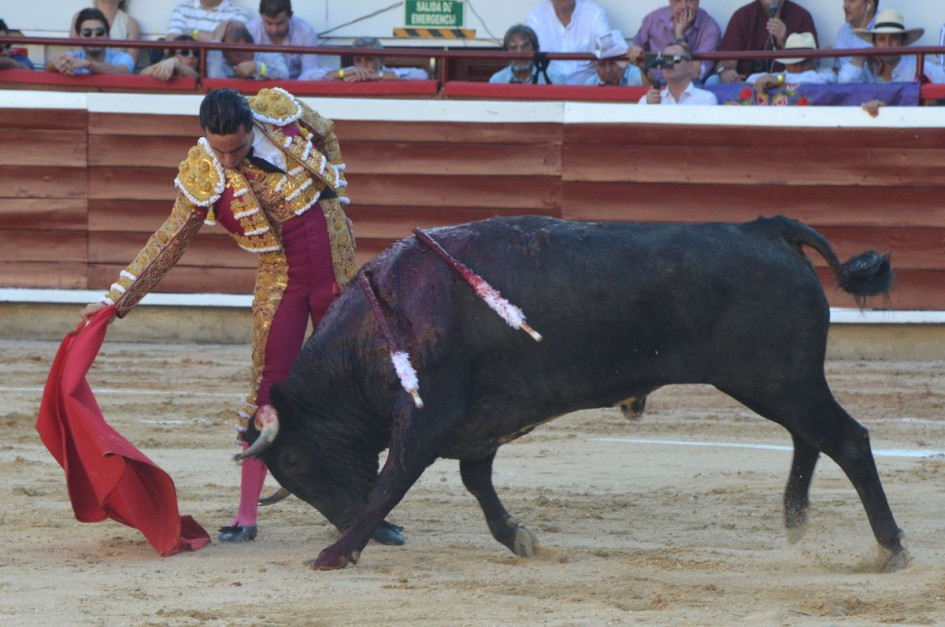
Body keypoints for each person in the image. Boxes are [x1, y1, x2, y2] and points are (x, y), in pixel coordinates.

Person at [78, 87, 407, 547]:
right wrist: (117, 301)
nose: (229, 161)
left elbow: (327, 133)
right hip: (283, 281)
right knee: (266, 389)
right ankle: (246, 515)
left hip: (338, 274)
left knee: (357, 389)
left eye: (238, 148)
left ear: (253, 125)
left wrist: (336, 199)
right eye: (219, 149)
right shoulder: (204, 173)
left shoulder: (280, 110)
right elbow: (169, 240)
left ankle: (368, 512)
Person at [716, 0, 818, 83]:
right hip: (747, 86)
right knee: (713, 82)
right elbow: (726, 61)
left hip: (786, 85)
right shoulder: (742, 16)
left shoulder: (802, 17)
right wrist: (727, 72)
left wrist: (785, 43)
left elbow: (810, 68)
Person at [839, 9, 945, 85]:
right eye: (882, 39)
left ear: (903, 42)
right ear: (874, 44)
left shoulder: (921, 69)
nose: (888, 45)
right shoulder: (866, 71)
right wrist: (863, 55)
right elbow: (844, 81)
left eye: (894, 38)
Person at [629, 0, 722, 84]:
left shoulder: (710, 28)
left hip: (689, 90)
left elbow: (695, 73)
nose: (683, 6)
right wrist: (636, 51)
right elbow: (633, 58)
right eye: (677, 0)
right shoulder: (652, 20)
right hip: (653, 86)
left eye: (690, 0)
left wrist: (680, 35)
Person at [525, 0, 612, 85]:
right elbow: (526, 51)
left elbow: (607, 46)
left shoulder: (594, 12)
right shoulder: (536, 15)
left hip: (586, 90)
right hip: (547, 89)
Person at [246, 0, 330, 81]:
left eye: (280, 23)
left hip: (297, 88)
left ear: (290, 15)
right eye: (269, 23)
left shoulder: (305, 32)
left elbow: (309, 73)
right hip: (260, 87)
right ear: (260, 14)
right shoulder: (250, 30)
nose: (274, 29)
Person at [46, 8, 134, 75]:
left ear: (108, 37)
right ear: (77, 38)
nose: (93, 37)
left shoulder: (122, 58)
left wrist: (88, 64)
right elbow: (48, 69)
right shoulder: (71, 57)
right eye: (87, 33)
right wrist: (54, 64)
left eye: (99, 32)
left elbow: (122, 72)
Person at [746, 32, 835, 93]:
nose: (799, 68)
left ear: (814, 63)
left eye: (804, 63)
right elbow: (751, 79)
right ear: (786, 65)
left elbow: (820, 79)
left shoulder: (824, 74)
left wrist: (780, 80)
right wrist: (771, 80)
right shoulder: (782, 76)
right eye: (794, 64)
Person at [206, 20, 289, 80]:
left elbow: (284, 75)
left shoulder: (269, 55)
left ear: (240, 44)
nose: (222, 53)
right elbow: (215, 80)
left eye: (224, 47)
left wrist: (257, 68)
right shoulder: (221, 61)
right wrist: (216, 41)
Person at [639, 43, 717, 105]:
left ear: (690, 66)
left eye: (675, 58)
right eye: (664, 59)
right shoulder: (646, 101)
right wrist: (649, 110)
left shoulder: (706, 99)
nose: (668, 63)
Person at [323, 37, 429, 82]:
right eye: (358, 60)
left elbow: (422, 75)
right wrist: (343, 73)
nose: (363, 66)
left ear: (381, 60)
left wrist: (377, 76)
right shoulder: (349, 72)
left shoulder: (387, 73)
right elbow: (307, 76)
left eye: (369, 60)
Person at [70, 0, 142, 66]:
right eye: (87, 33)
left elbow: (129, 66)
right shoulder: (79, 18)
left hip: (114, 78)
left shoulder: (131, 24)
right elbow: (77, 56)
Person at [489, 24, 563, 84]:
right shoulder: (497, 80)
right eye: (513, 47)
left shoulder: (554, 78)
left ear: (535, 49)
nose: (519, 52)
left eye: (525, 46)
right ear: (506, 52)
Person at [166, 0, 254, 42]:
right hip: (185, 71)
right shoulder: (182, 8)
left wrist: (192, 34)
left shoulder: (240, 13)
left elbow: (229, 47)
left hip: (218, 74)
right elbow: (170, 45)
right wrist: (215, 38)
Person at [833, 0, 877, 75]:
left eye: (851, 1)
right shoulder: (844, 31)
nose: (845, 6)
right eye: (844, 1)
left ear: (869, 4)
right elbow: (837, 70)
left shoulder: (885, 29)